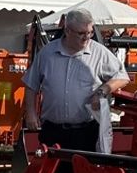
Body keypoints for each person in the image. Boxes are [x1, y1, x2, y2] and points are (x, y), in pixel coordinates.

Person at [23, 8, 129, 157]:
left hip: (85, 133)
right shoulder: (47, 53)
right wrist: (31, 114)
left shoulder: (99, 52)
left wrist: (103, 91)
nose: (86, 37)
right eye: (81, 33)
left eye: (90, 32)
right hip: (53, 132)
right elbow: (31, 84)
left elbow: (122, 76)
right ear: (67, 31)